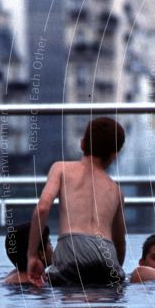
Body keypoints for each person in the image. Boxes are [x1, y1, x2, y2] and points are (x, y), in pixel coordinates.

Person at [26, 117, 127, 288]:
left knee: (62, 293)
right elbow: (120, 240)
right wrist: (116, 268)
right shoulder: (116, 190)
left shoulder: (61, 169)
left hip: (72, 247)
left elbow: (42, 208)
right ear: (114, 155)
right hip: (106, 252)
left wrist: (32, 255)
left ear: (82, 144)